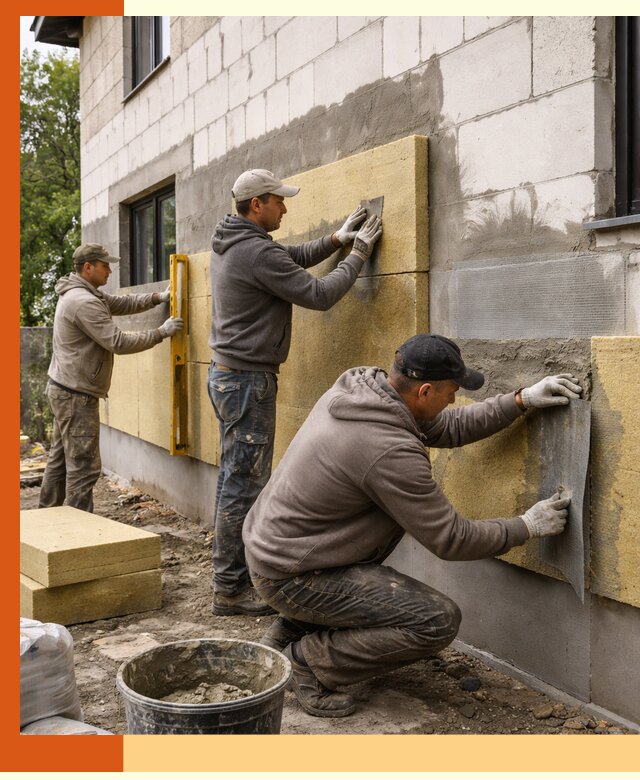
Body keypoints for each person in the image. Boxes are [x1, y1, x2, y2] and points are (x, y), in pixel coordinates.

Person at [243, 333, 583, 717]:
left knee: (381, 594)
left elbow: (446, 427)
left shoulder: (365, 393)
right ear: (424, 391)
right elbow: (450, 540)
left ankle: (294, 626)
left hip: (281, 552)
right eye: (451, 391)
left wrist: (520, 400)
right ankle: (310, 661)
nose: (454, 399)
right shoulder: (386, 447)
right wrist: (526, 525)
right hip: (294, 574)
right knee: (435, 621)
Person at [208, 168, 382, 617]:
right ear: (257, 204)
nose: (285, 207)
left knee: (234, 479)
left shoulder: (238, 241)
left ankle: (231, 579)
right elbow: (321, 295)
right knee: (243, 485)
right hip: (247, 382)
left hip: (231, 377)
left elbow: (285, 257)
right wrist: (359, 253)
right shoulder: (254, 251)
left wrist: (334, 240)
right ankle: (230, 590)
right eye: (279, 200)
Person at [39, 243, 183, 513]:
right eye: (105, 265)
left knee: (59, 462)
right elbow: (117, 342)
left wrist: (157, 297)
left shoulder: (85, 294)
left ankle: (47, 523)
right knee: (83, 467)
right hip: (75, 396)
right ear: (88, 267)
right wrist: (162, 332)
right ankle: (81, 532)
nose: (110, 270)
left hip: (65, 390)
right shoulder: (82, 302)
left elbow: (120, 303)